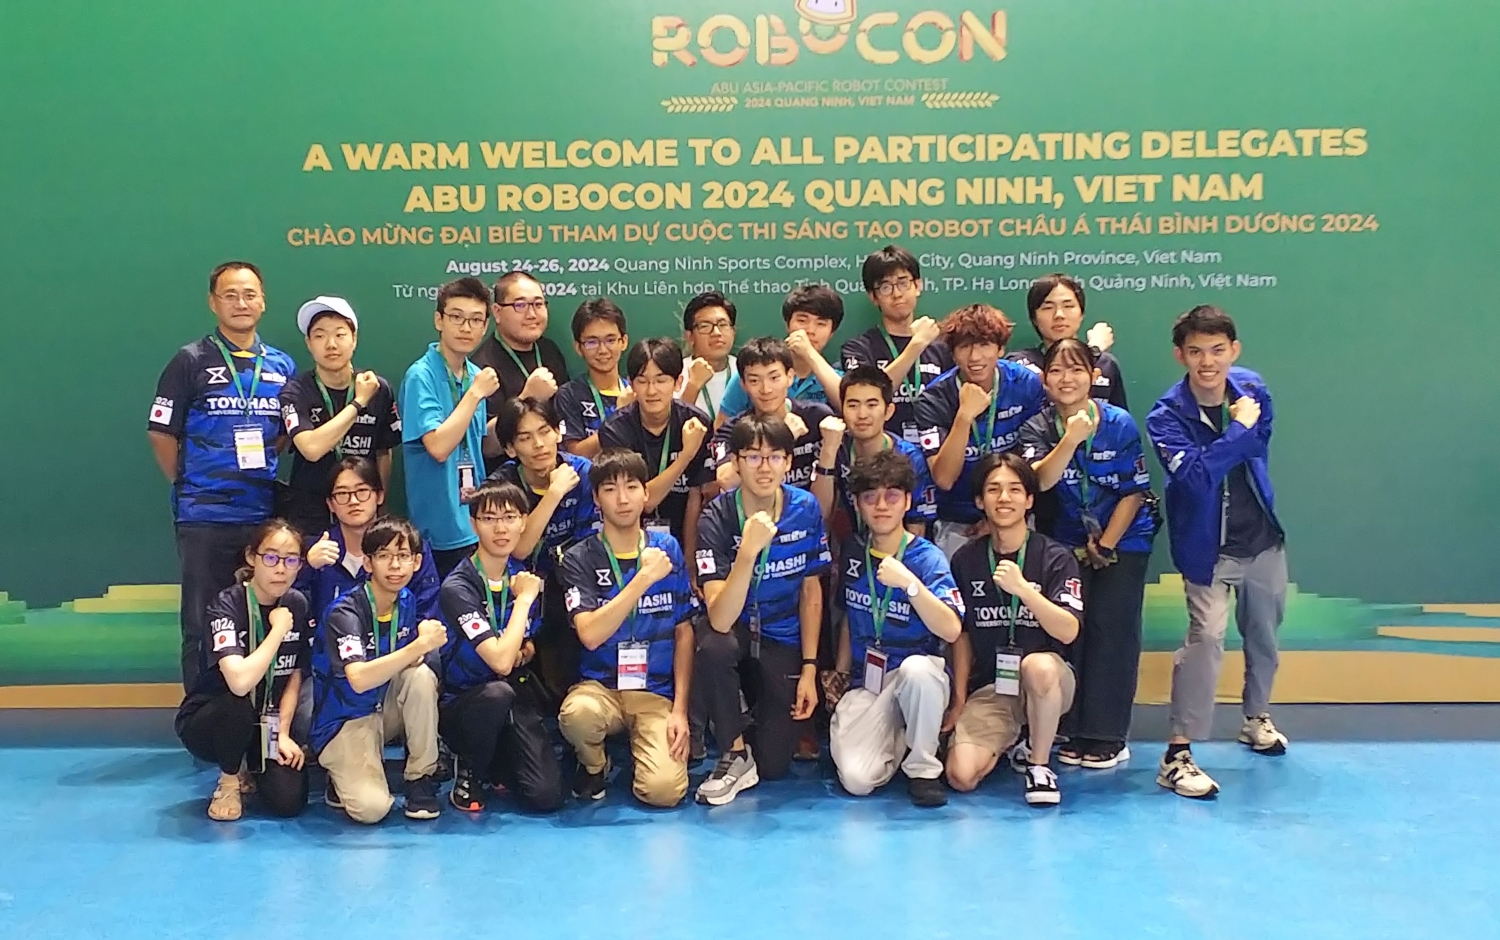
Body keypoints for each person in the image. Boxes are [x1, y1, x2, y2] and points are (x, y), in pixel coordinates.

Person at [1147, 305, 1288, 799]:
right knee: (1205, 639)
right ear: (1180, 356)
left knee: (1264, 636)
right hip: (1206, 549)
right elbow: (1196, 479)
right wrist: (1237, 432)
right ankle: (1177, 754)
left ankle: (1256, 717)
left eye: (1217, 350)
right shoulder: (1165, 416)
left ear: (1234, 351)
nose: (1207, 362)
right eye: (1196, 352)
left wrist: (1236, 436)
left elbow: (1255, 448)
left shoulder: (1254, 390)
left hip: (1261, 539)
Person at [148, 261, 297, 691]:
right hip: (206, 517)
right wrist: (190, 482)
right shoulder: (190, 361)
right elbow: (161, 432)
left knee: (259, 619)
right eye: (230, 295)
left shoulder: (281, 365)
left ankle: (255, 718)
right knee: (203, 624)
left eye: (249, 294)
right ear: (213, 303)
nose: (241, 303)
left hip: (262, 517)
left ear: (263, 302)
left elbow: (284, 433)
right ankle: (203, 717)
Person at [1018, 339, 1157, 769]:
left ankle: (1106, 735)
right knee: (1071, 635)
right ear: (1045, 380)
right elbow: (1039, 482)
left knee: (1112, 634)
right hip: (1066, 543)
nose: (1067, 379)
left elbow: (1134, 491)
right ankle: (1072, 730)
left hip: (1124, 539)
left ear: (1094, 377)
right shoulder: (1037, 427)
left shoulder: (1118, 423)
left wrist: (1107, 544)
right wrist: (1070, 440)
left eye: (1077, 370)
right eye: (1057, 371)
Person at [694, 415, 831, 804]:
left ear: (788, 462)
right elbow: (720, 617)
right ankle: (735, 752)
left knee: (773, 765)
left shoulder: (805, 508)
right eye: (753, 457)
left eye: (774, 457)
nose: (764, 467)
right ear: (736, 462)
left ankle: (744, 721)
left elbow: (811, 591)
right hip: (735, 627)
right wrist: (747, 553)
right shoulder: (717, 517)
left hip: (781, 633)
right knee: (712, 643)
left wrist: (809, 667)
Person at [558, 450, 697, 807]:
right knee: (577, 716)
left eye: (632, 487)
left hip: (654, 691)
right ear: (596, 498)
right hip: (600, 687)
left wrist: (680, 710)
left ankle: (645, 755)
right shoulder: (578, 557)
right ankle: (595, 766)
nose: (622, 499)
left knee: (664, 793)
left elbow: (683, 630)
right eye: (610, 489)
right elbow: (590, 635)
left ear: (646, 493)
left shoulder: (667, 548)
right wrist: (641, 579)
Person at [826, 450, 964, 806]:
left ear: (907, 502)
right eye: (870, 497)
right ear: (858, 504)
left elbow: (951, 630)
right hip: (869, 680)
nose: (881, 506)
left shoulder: (927, 558)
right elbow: (850, 616)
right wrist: (840, 672)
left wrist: (910, 585)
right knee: (857, 780)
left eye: (891, 496)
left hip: (916, 674)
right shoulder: (853, 550)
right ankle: (903, 737)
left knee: (918, 672)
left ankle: (923, 768)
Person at [944, 453, 1084, 805]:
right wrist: (959, 699)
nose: (1004, 498)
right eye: (993, 490)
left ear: (1029, 500)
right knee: (961, 776)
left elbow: (1068, 631)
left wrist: (1024, 590)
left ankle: (1039, 766)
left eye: (1015, 490)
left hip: (1049, 681)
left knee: (1037, 666)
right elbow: (961, 635)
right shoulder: (966, 560)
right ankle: (1015, 738)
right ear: (980, 501)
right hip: (995, 687)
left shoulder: (1055, 557)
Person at [438, 480, 565, 813]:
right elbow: (499, 661)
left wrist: (525, 650)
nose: (500, 528)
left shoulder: (523, 576)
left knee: (545, 795)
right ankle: (469, 768)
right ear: (473, 524)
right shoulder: (459, 586)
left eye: (509, 517)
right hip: (464, 701)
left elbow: (528, 642)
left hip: (515, 696)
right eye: (489, 519)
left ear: (523, 522)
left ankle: (500, 762)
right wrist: (523, 600)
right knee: (496, 693)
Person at [310, 516, 448, 823]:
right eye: (384, 556)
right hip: (344, 720)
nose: (395, 565)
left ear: (417, 562)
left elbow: (405, 662)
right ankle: (338, 770)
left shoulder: (407, 601)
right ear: (368, 562)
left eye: (403, 556)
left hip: (382, 709)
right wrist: (419, 646)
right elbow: (358, 679)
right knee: (372, 810)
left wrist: (415, 654)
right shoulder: (344, 612)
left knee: (421, 677)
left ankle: (420, 778)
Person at [175, 519, 312, 820]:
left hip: (265, 723)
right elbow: (238, 682)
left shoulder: (297, 603)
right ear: (252, 557)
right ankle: (228, 781)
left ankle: (251, 764)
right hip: (212, 720)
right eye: (271, 557)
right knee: (237, 703)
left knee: (288, 802)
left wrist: (282, 734)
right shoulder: (227, 605)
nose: (281, 569)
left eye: (291, 560)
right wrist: (278, 632)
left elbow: (294, 673)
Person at [915, 303, 1045, 557]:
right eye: (964, 347)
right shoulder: (934, 399)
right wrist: (964, 417)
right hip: (958, 522)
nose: (975, 357)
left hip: (1013, 513)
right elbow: (943, 478)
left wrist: (996, 517)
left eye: (984, 345)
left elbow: (1032, 466)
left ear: (1001, 348)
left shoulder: (1025, 384)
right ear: (953, 353)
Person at [491, 396, 601, 696]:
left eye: (544, 432)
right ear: (510, 448)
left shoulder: (582, 472)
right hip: (520, 580)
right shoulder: (503, 485)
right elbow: (518, 549)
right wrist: (554, 493)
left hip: (571, 574)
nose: (539, 444)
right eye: (525, 438)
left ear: (558, 432)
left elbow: (588, 542)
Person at [276, 296, 401, 540]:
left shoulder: (378, 389)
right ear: (309, 343)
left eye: (340, 334)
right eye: (320, 335)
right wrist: (359, 403)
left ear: (354, 339)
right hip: (310, 516)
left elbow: (383, 451)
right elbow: (311, 449)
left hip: (362, 513)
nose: (331, 344)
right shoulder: (296, 391)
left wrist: (378, 502)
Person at [399, 277, 499, 579]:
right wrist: (475, 394)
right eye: (457, 317)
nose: (466, 328)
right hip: (437, 532)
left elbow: (479, 445)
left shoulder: (475, 375)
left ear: (485, 327)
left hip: (474, 523)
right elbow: (439, 447)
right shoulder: (421, 375)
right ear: (439, 320)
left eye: (475, 320)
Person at [598, 339, 713, 556]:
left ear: (678, 382)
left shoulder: (696, 424)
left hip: (682, 531)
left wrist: (689, 558)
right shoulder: (615, 430)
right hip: (631, 539)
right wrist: (686, 455)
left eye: (661, 380)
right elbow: (645, 501)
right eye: (642, 381)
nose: (652, 390)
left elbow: (695, 495)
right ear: (631, 384)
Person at [294, 456, 442, 624]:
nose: (353, 501)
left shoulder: (409, 547)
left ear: (379, 496)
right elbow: (287, 605)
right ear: (330, 504)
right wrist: (306, 567)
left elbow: (427, 611)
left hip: (399, 639)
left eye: (362, 491)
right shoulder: (313, 551)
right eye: (342, 494)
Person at [839, 245, 952, 444]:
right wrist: (916, 345)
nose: (896, 293)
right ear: (873, 297)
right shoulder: (859, 348)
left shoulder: (942, 346)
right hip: (883, 451)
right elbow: (866, 394)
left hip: (936, 452)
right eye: (885, 287)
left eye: (903, 283)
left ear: (918, 285)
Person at [811, 365, 936, 536]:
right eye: (853, 405)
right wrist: (828, 451)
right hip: (855, 545)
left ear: (888, 411)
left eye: (871, 405)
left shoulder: (909, 458)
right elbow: (819, 517)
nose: (862, 414)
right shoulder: (836, 448)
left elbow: (916, 526)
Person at [472, 270, 569, 472]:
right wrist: (526, 398)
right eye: (520, 305)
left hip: (557, 472)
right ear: (497, 312)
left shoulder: (549, 350)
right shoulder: (481, 366)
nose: (531, 314)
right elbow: (484, 445)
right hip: (508, 481)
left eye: (538, 304)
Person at [709, 337, 833, 492]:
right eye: (754, 381)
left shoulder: (817, 418)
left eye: (774, 378)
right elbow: (726, 481)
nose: (766, 389)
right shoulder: (732, 429)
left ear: (790, 377)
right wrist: (783, 437)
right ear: (743, 384)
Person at [717, 284, 844, 420]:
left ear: (832, 332)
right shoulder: (753, 373)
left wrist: (810, 354)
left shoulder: (835, 378)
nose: (810, 330)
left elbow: (848, 406)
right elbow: (722, 427)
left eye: (821, 324)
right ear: (787, 324)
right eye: (802, 320)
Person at [1007, 273, 1127, 408]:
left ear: (1082, 314)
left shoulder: (1106, 364)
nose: (1059, 315)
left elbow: (1118, 416)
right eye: (1048, 308)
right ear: (1034, 318)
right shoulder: (1020, 363)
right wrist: (1094, 350)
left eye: (1068, 306)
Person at [554, 298, 632, 459]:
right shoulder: (569, 395)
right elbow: (573, 454)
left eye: (610, 340)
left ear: (624, 342)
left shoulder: (637, 392)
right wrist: (619, 416)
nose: (602, 350)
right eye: (592, 342)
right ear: (578, 348)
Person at [677, 290, 738, 424]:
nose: (716, 332)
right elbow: (671, 425)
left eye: (723, 325)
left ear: (733, 332)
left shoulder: (745, 370)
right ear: (690, 337)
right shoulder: (675, 372)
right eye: (705, 326)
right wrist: (693, 386)